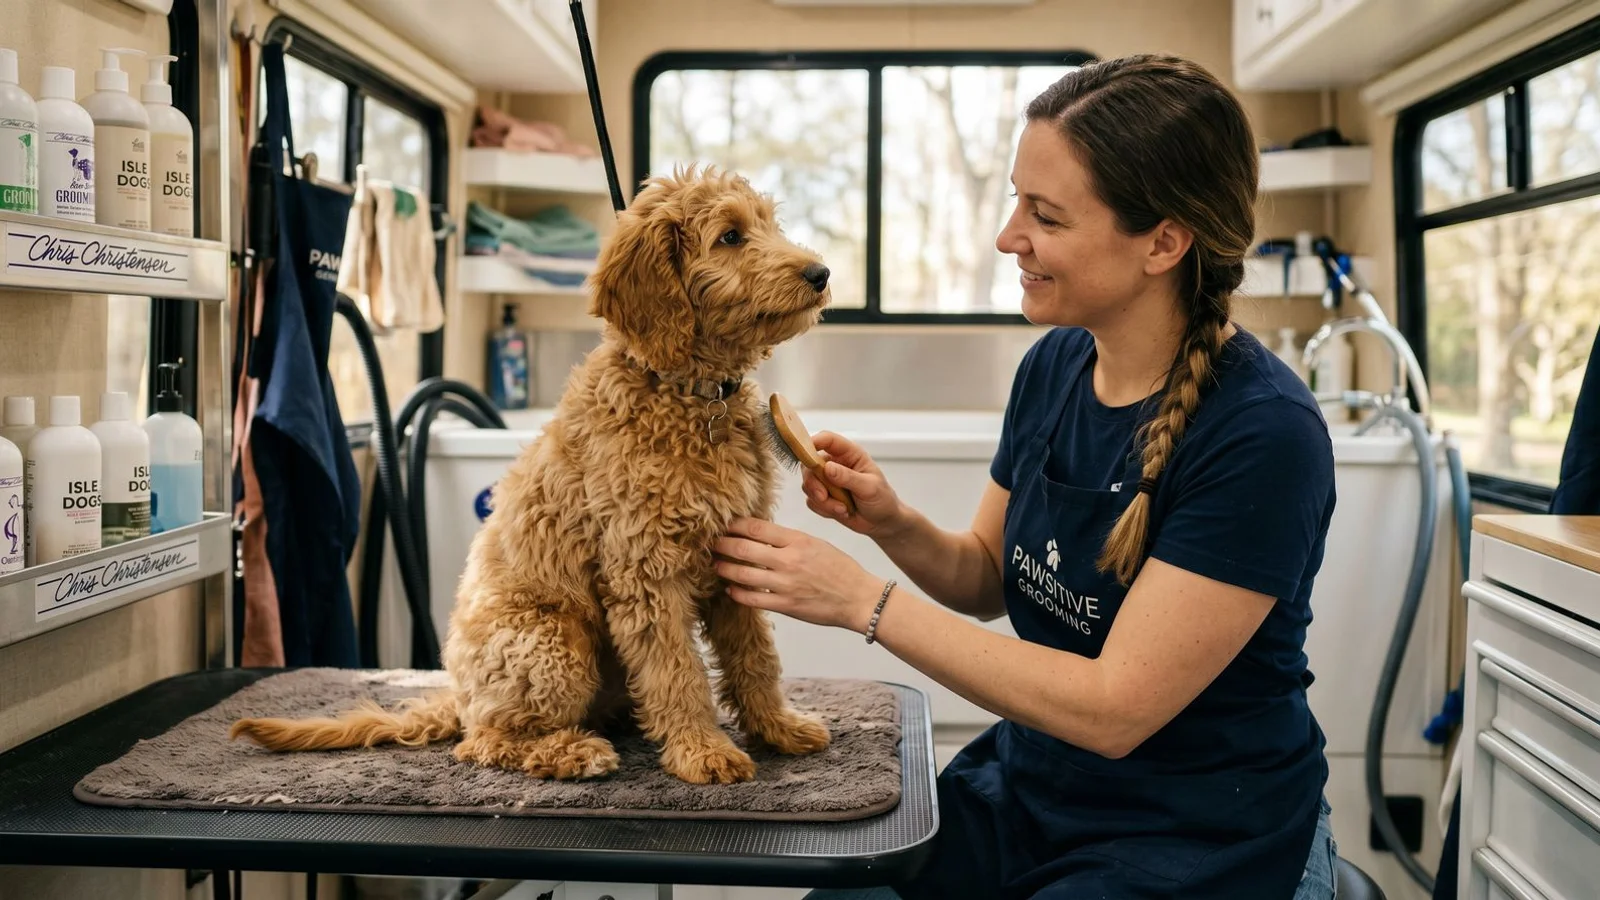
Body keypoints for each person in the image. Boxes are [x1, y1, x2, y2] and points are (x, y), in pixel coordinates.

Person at [712, 54, 1339, 900]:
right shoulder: (1056, 365)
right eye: (1015, 199)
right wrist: (890, 521)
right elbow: (985, 575)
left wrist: (865, 603)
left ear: (1164, 241)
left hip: (1196, 827)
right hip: (1039, 786)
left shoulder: (1264, 433)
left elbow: (1115, 709)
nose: (1009, 236)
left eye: (1043, 215)